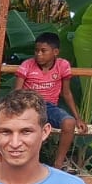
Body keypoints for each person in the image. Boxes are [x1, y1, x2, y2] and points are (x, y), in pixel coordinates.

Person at [16, 32, 86, 169]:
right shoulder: (27, 65)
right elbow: (17, 92)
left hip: (49, 107)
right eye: (36, 50)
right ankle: (26, 164)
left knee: (69, 123)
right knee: (32, 128)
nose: (39, 54)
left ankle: (58, 164)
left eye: (43, 51)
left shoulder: (63, 65)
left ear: (55, 52)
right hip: (29, 105)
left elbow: (66, 93)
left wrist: (78, 118)